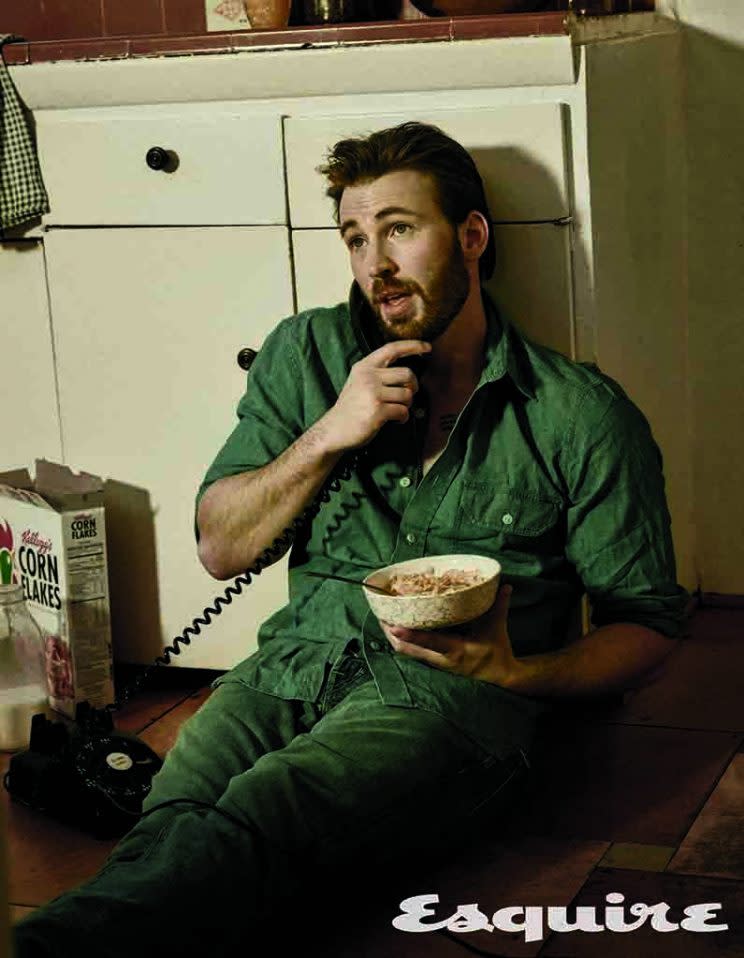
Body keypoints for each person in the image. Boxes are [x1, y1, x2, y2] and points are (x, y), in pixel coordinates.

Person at [14, 121, 688, 957]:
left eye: (400, 229)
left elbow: (649, 622)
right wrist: (332, 432)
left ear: (472, 236)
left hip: (443, 693)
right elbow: (221, 547)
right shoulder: (307, 353)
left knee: (268, 812)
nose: (375, 264)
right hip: (291, 663)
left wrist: (526, 674)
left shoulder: (576, 413)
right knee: (176, 821)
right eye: (356, 237)